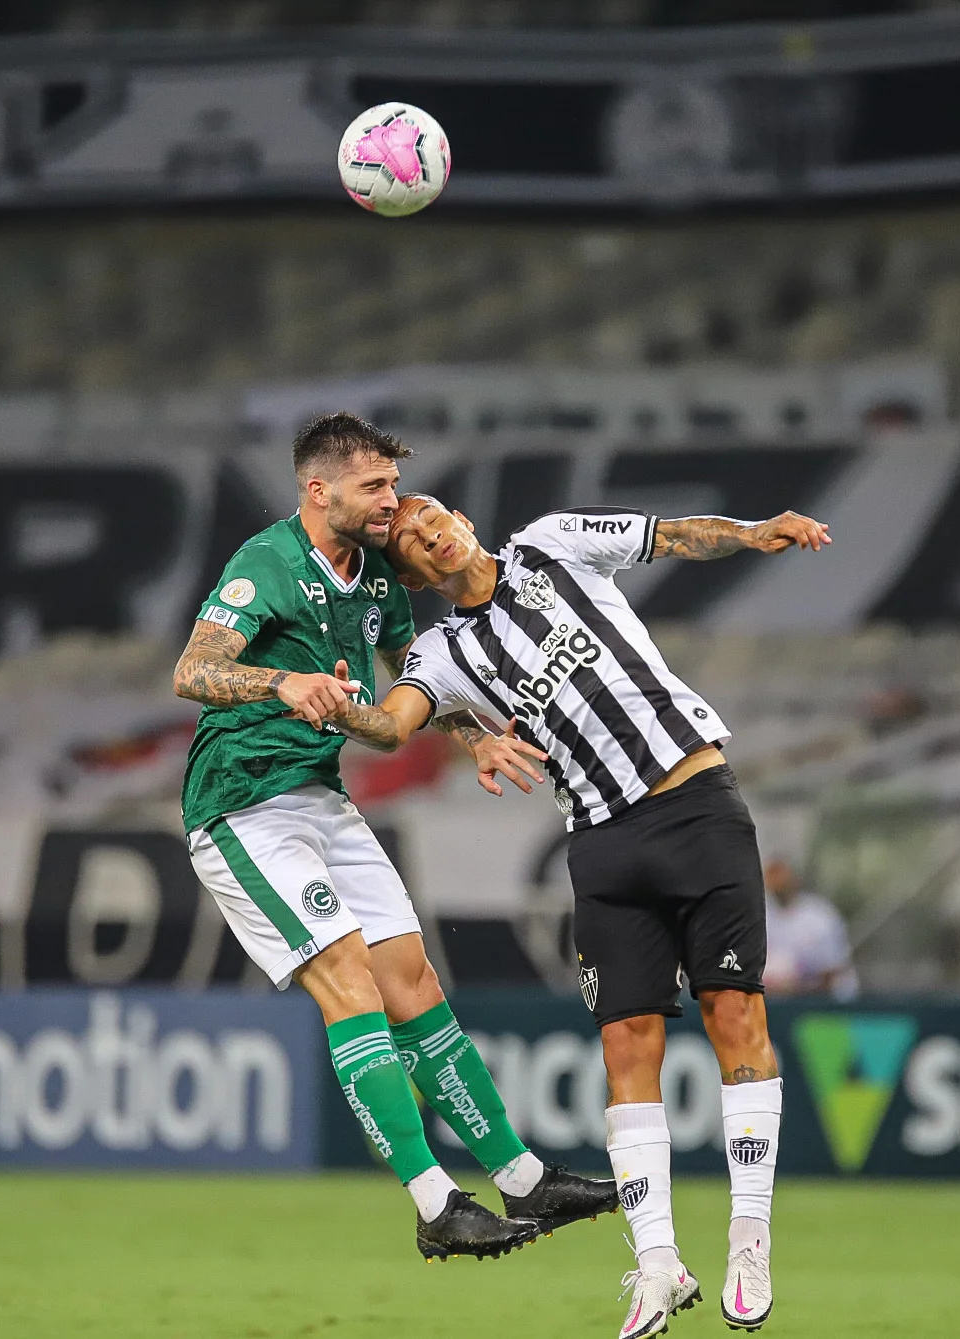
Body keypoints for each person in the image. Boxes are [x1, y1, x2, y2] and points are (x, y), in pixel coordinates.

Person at [338, 492, 831, 1338]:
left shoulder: (554, 542)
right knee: (624, 1044)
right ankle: (656, 1265)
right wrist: (325, 699)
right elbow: (392, 724)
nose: (429, 533)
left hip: (696, 803)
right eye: (414, 541)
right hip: (602, 843)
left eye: (432, 517)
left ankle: (748, 1239)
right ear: (415, 573)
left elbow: (672, 535)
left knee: (734, 1014)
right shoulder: (442, 650)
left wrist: (752, 533)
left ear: (459, 517)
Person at [169, 411, 616, 1262]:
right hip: (240, 806)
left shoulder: (376, 578)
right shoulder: (264, 564)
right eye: (373, 486)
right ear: (318, 489)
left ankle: (521, 1178)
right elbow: (191, 669)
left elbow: (418, 680)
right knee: (350, 981)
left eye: (392, 483)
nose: (391, 500)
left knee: (410, 979)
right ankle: (433, 1200)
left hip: (321, 800)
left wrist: (473, 736)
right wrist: (279, 681)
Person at [761, 859, 858, 998]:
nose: (778, 885)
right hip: (780, 999)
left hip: (828, 1001)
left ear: (794, 880)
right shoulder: (763, 915)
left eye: (782, 879)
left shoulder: (819, 915)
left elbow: (833, 970)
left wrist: (796, 987)